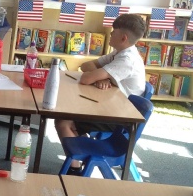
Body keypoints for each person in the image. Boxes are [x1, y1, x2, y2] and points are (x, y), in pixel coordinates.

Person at [54, 13, 146, 173]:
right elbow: (86, 65)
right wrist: (102, 77)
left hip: (120, 118)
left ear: (123, 38)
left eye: (114, 32)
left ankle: (74, 169)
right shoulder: (119, 52)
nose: (110, 34)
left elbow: (85, 78)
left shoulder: (127, 60)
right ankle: (79, 156)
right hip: (112, 106)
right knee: (71, 114)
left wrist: (100, 76)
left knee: (63, 122)